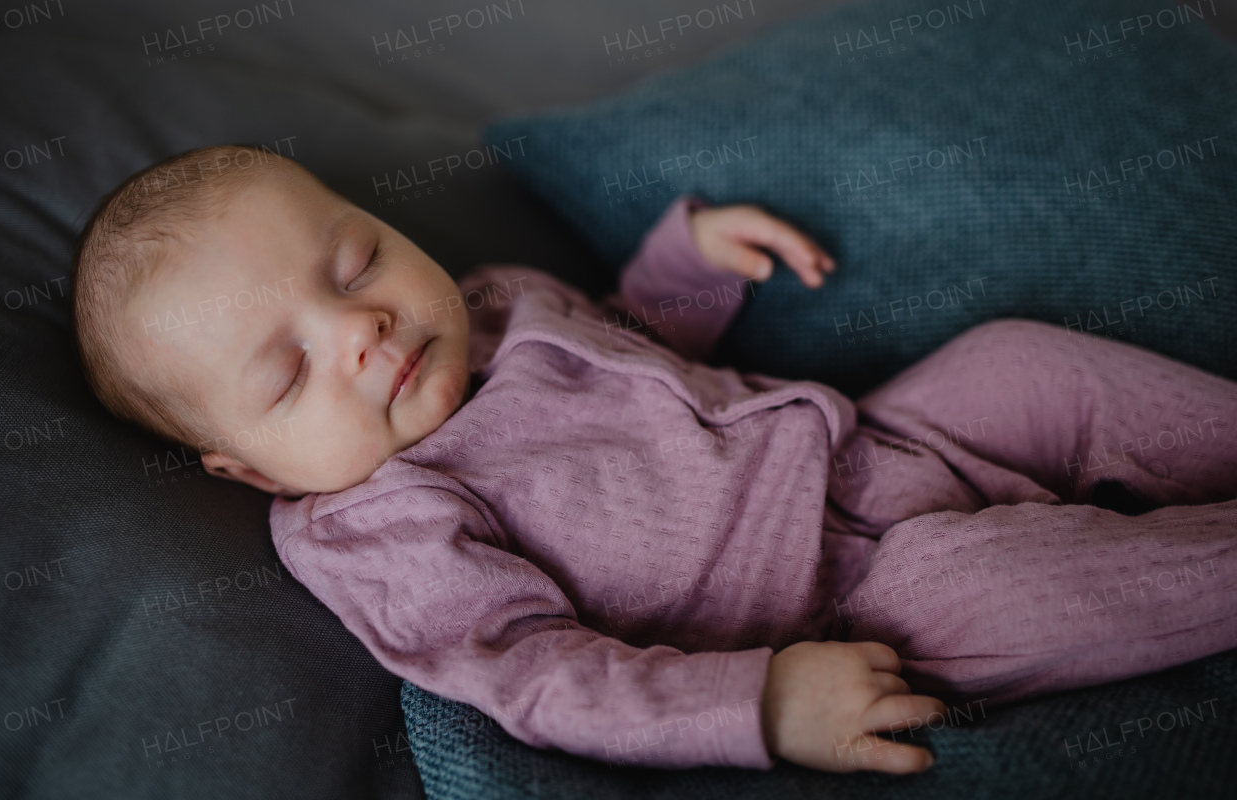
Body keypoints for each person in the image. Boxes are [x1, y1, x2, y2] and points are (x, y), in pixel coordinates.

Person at [70, 145, 1237, 775]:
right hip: (844, 601)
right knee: (1031, 587)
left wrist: (687, 264)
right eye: (289, 374)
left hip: (871, 434)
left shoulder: (491, 303)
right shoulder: (378, 523)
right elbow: (536, 674)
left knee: (1018, 362)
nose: (362, 329)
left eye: (357, 262)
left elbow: (630, 346)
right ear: (256, 469)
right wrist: (757, 703)